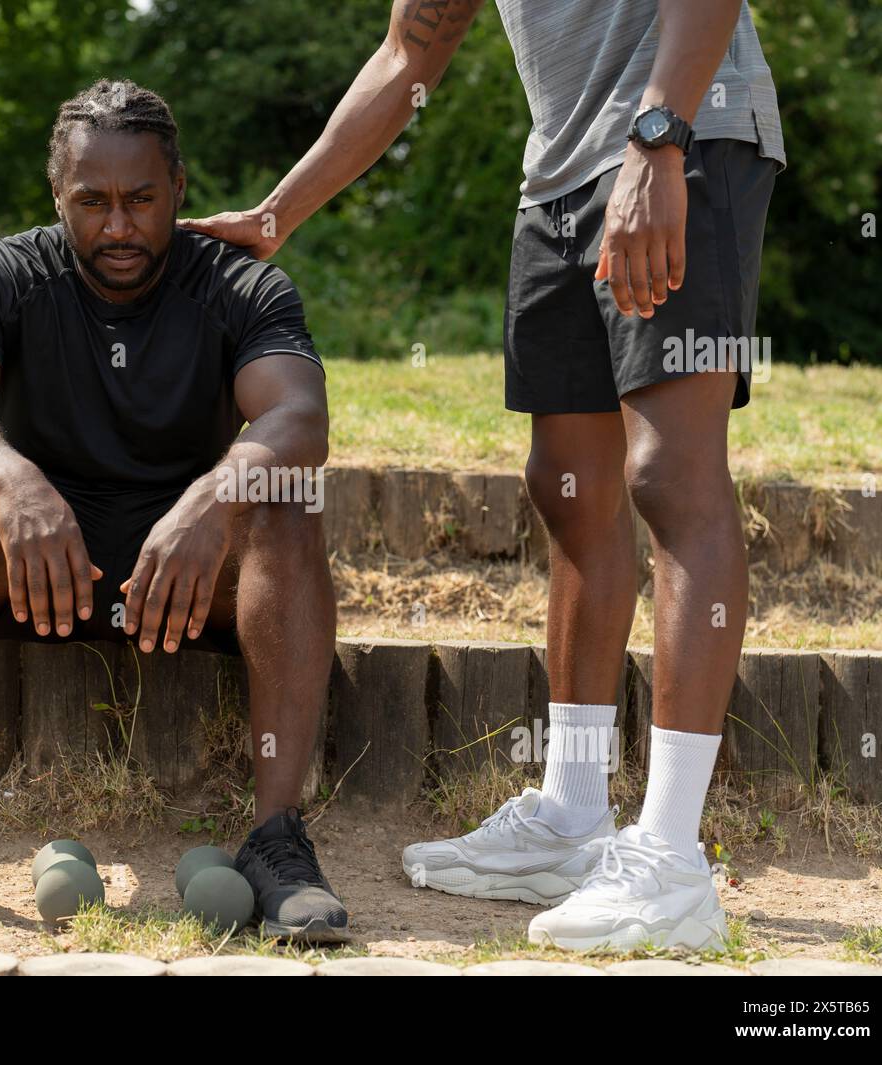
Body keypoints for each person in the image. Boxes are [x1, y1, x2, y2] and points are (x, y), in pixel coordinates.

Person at [184, 1, 783, 951]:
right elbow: (407, 52)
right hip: (560, 174)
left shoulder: (674, 138)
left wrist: (658, 137)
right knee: (567, 487)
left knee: (671, 476)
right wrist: (276, 213)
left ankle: (670, 859)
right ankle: (574, 813)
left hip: (685, 139)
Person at [0, 79, 348, 943]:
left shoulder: (240, 286)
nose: (118, 226)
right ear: (58, 197)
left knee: (284, 499)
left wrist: (210, 498)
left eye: (141, 200)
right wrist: (14, 480)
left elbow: (300, 416)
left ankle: (278, 841)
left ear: (179, 192)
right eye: (93, 202)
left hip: (190, 571)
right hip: (44, 565)